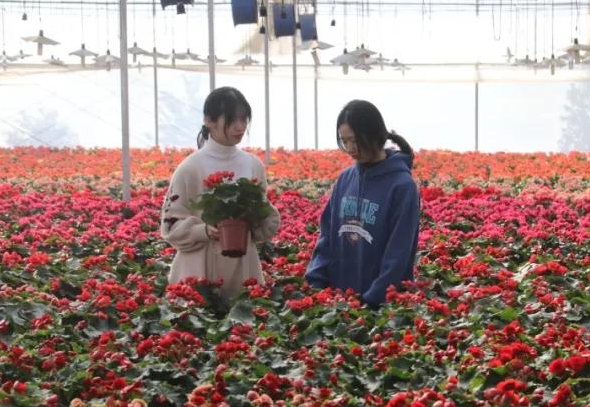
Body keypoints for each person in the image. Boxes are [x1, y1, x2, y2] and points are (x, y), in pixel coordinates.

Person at [160, 86, 280, 303]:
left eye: (244, 120)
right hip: (198, 269)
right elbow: (170, 225)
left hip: (242, 268)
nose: (240, 126)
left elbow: (263, 218)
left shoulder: (253, 165)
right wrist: (202, 231)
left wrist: (257, 220)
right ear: (209, 120)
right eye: (233, 120)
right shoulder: (190, 168)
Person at [305, 100, 420, 308]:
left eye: (356, 140)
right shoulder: (345, 179)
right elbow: (327, 236)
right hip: (338, 304)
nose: (351, 149)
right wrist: (316, 282)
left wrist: (370, 301)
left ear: (376, 134)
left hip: (381, 308)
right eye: (345, 141)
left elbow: (399, 253)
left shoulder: (402, 186)